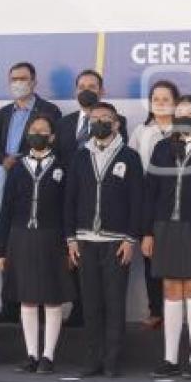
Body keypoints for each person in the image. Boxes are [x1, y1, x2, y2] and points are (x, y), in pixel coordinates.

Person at [142, 95, 191, 379]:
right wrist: (147, 231)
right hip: (164, 227)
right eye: (181, 112)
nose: (185, 117)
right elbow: (150, 191)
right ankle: (170, 358)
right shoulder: (162, 148)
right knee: (171, 289)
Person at [64, 102, 143, 378]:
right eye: (95, 118)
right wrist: (70, 238)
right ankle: (92, 359)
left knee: (114, 302)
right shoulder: (79, 156)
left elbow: (137, 201)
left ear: (116, 123)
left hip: (116, 242)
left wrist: (131, 238)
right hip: (84, 240)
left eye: (105, 118)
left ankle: (111, 360)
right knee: (91, 302)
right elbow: (70, 199)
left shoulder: (129, 157)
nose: (99, 122)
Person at [0, 114, 74, 373]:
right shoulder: (18, 167)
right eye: (33, 130)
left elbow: (68, 207)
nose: (37, 134)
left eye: (42, 130)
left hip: (52, 237)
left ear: (52, 137)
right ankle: (31, 355)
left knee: (52, 298)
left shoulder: (62, 166)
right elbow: (6, 209)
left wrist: (68, 242)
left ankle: (48, 356)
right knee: (27, 299)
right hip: (20, 237)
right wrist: (1, 249)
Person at [55, 69, 128, 328]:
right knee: (72, 255)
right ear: (75, 91)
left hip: (100, 205)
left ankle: (93, 315)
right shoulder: (64, 122)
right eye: (82, 86)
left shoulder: (118, 122)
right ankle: (78, 307)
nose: (87, 90)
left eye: (93, 85)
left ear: (102, 91)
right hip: (67, 197)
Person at [0, 62, 62, 324]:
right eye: (13, 79)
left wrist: (24, 160)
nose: (18, 83)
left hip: (32, 186)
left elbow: (52, 147)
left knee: (30, 251)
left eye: (23, 78)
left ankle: (33, 306)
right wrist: (3, 159)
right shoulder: (3, 113)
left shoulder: (48, 110)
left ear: (34, 82)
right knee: (5, 243)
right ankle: (9, 305)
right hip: (3, 182)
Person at [129, 79, 180, 331]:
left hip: (178, 203)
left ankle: (178, 311)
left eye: (165, 99)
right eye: (156, 99)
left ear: (175, 103)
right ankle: (156, 310)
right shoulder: (141, 132)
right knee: (151, 258)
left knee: (177, 258)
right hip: (148, 200)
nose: (160, 104)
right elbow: (132, 168)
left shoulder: (184, 131)